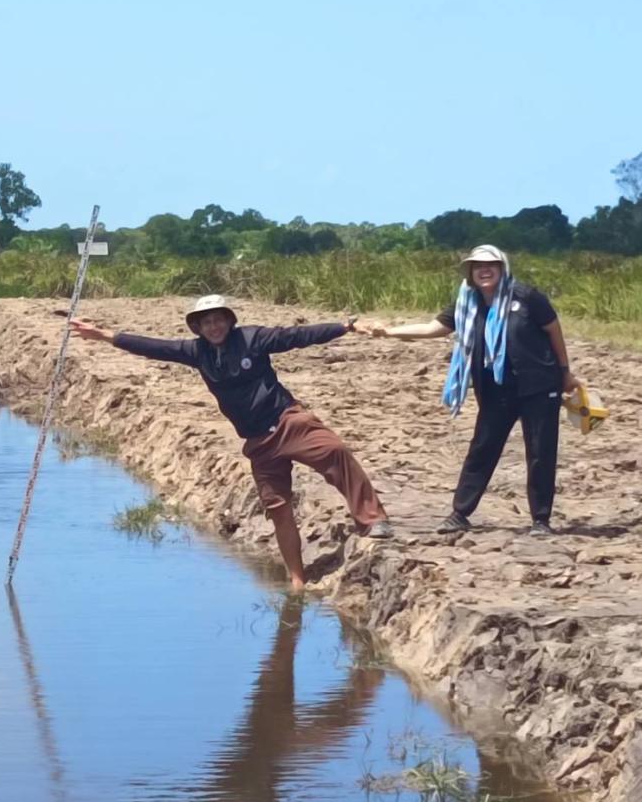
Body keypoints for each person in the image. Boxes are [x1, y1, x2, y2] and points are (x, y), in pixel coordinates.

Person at [70, 295, 392, 592]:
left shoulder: (252, 339)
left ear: (229, 320)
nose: (214, 327)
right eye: (206, 322)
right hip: (257, 443)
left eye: (218, 320)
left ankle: (372, 518)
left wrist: (345, 327)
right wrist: (103, 335)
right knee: (278, 509)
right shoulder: (196, 352)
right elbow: (153, 346)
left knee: (335, 451)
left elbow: (297, 336)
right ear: (198, 327)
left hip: (287, 421)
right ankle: (297, 579)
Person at [368, 244, 580, 536]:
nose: (484, 270)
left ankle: (540, 520)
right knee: (482, 449)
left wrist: (565, 372)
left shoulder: (527, 297)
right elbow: (433, 329)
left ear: (502, 268)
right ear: (469, 271)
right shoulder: (467, 303)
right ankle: (460, 513)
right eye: (477, 266)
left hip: (539, 386)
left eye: (491, 265)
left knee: (541, 453)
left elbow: (553, 330)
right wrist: (389, 331)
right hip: (495, 389)